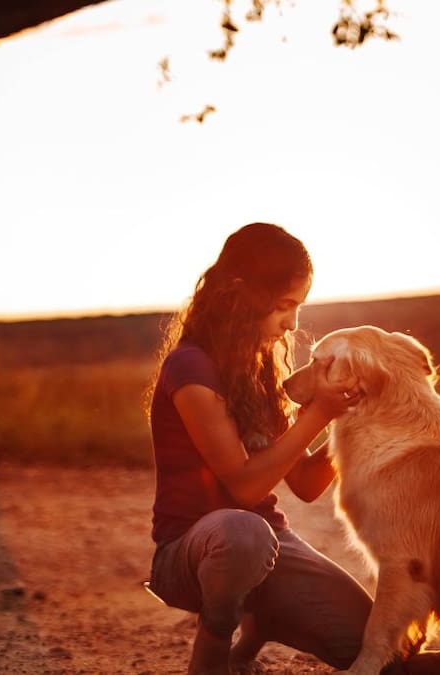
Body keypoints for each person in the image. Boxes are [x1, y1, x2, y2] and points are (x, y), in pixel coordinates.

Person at [145, 222, 370, 675]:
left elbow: (305, 483)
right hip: (192, 552)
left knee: (368, 641)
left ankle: (260, 620)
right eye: (284, 306)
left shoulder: (259, 372)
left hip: (269, 548)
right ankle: (213, 650)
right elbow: (246, 489)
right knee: (242, 533)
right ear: (241, 296)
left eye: (299, 307)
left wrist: (354, 417)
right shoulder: (191, 368)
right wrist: (318, 414)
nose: (293, 323)